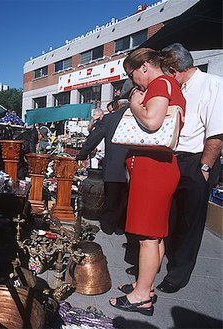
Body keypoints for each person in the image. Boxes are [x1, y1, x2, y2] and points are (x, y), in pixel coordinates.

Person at [109, 48, 186, 316]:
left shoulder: (160, 83)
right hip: (156, 169)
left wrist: (134, 104)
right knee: (154, 234)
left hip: (153, 170)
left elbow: (153, 122)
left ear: (144, 66)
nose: (134, 83)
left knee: (147, 237)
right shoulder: (168, 84)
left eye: (132, 75)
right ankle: (144, 285)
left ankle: (141, 296)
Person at [155, 43, 223, 293]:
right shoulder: (178, 88)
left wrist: (205, 166)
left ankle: (178, 275)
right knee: (170, 217)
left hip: (197, 160)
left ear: (173, 70)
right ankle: (160, 262)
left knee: (190, 223)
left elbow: (217, 132)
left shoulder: (214, 84)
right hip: (175, 159)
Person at [76, 79, 134, 234]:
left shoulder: (110, 118)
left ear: (117, 104)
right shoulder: (138, 117)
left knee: (111, 199)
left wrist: (80, 155)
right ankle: (121, 227)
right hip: (133, 168)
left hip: (114, 168)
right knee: (127, 199)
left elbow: (93, 140)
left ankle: (109, 226)